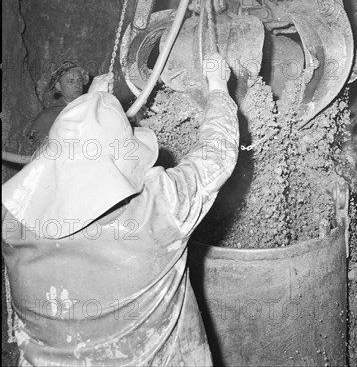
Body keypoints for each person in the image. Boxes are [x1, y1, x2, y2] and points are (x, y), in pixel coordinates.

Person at [2, 53, 239, 366]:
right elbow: (216, 157)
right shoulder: (157, 213)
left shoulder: (13, 225)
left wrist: (96, 102)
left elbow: (76, 156)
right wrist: (219, 86)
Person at [27, 60, 89, 146]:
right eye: (71, 81)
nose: (77, 85)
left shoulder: (91, 108)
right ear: (58, 86)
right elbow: (39, 149)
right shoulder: (48, 116)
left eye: (79, 80)